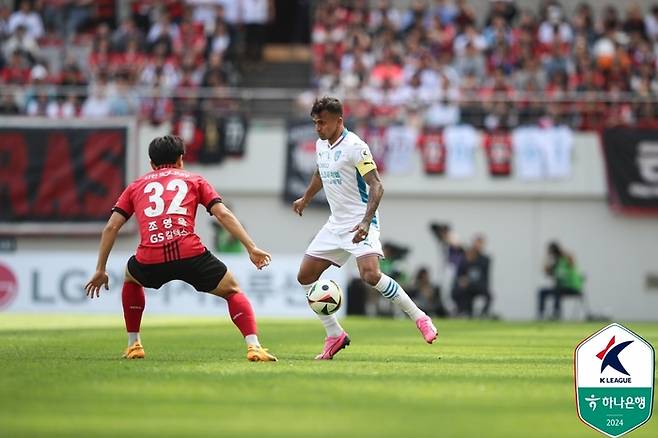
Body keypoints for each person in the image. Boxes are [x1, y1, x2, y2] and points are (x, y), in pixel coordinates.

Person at [84, 135, 277, 362]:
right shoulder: (195, 180)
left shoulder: (135, 186)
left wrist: (100, 268)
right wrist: (251, 248)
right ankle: (253, 347)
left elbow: (111, 227)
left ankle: (134, 344)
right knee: (232, 290)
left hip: (150, 258)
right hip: (190, 253)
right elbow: (222, 214)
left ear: (152, 164)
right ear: (180, 160)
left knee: (131, 278)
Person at [293, 96, 438, 360]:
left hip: (361, 220)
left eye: (322, 123)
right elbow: (319, 173)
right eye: (315, 123)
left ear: (339, 120)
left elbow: (377, 185)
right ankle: (334, 334)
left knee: (370, 275)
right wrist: (306, 198)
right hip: (335, 224)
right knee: (304, 276)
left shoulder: (355, 147)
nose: (318, 128)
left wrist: (365, 221)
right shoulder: (320, 144)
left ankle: (420, 318)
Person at [537, 241, 583, 320]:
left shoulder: (566, 259)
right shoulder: (556, 263)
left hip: (572, 287)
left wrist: (562, 252)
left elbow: (571, 259)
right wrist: (547, 258)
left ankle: (556, 314)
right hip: (560, 288)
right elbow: (547, 271)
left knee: (557, 291)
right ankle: (541, 314)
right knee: (542, 292)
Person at [451, 235, 492, 318]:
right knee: (459, 292)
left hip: (479, 285)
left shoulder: (485, 259)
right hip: (467, 285)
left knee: (489, 296)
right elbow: (460, 274)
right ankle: (463, 311)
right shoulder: (466, 257)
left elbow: (484, 277)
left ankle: (483, 314)